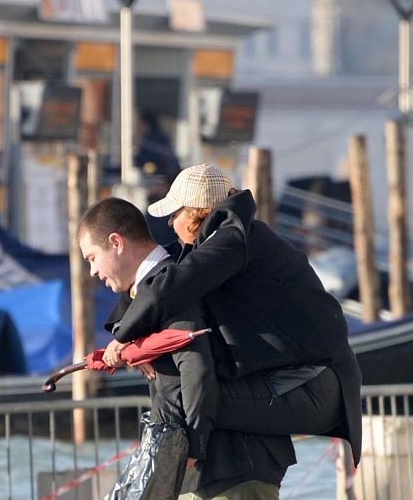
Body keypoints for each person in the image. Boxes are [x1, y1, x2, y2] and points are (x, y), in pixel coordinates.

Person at [77, 198, 320, 500]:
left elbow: (198, 369)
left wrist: (193, 446)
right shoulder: (150, 290)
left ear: (116, 242)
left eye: (93, 258)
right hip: (199, 457)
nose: (92, 272)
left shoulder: (171, 282)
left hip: (234, 454)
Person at [106, 164, 364, 465]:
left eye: (175, 215)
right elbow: (160, 274)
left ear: (195, 213)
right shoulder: (220, 240)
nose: (171, 224)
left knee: (181, 396)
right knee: (186, 395)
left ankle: (183, 465)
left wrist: (124, 339)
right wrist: (128, 329)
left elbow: (170, 287)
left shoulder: (234, 240)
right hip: (293, 379)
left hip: (313, 385)